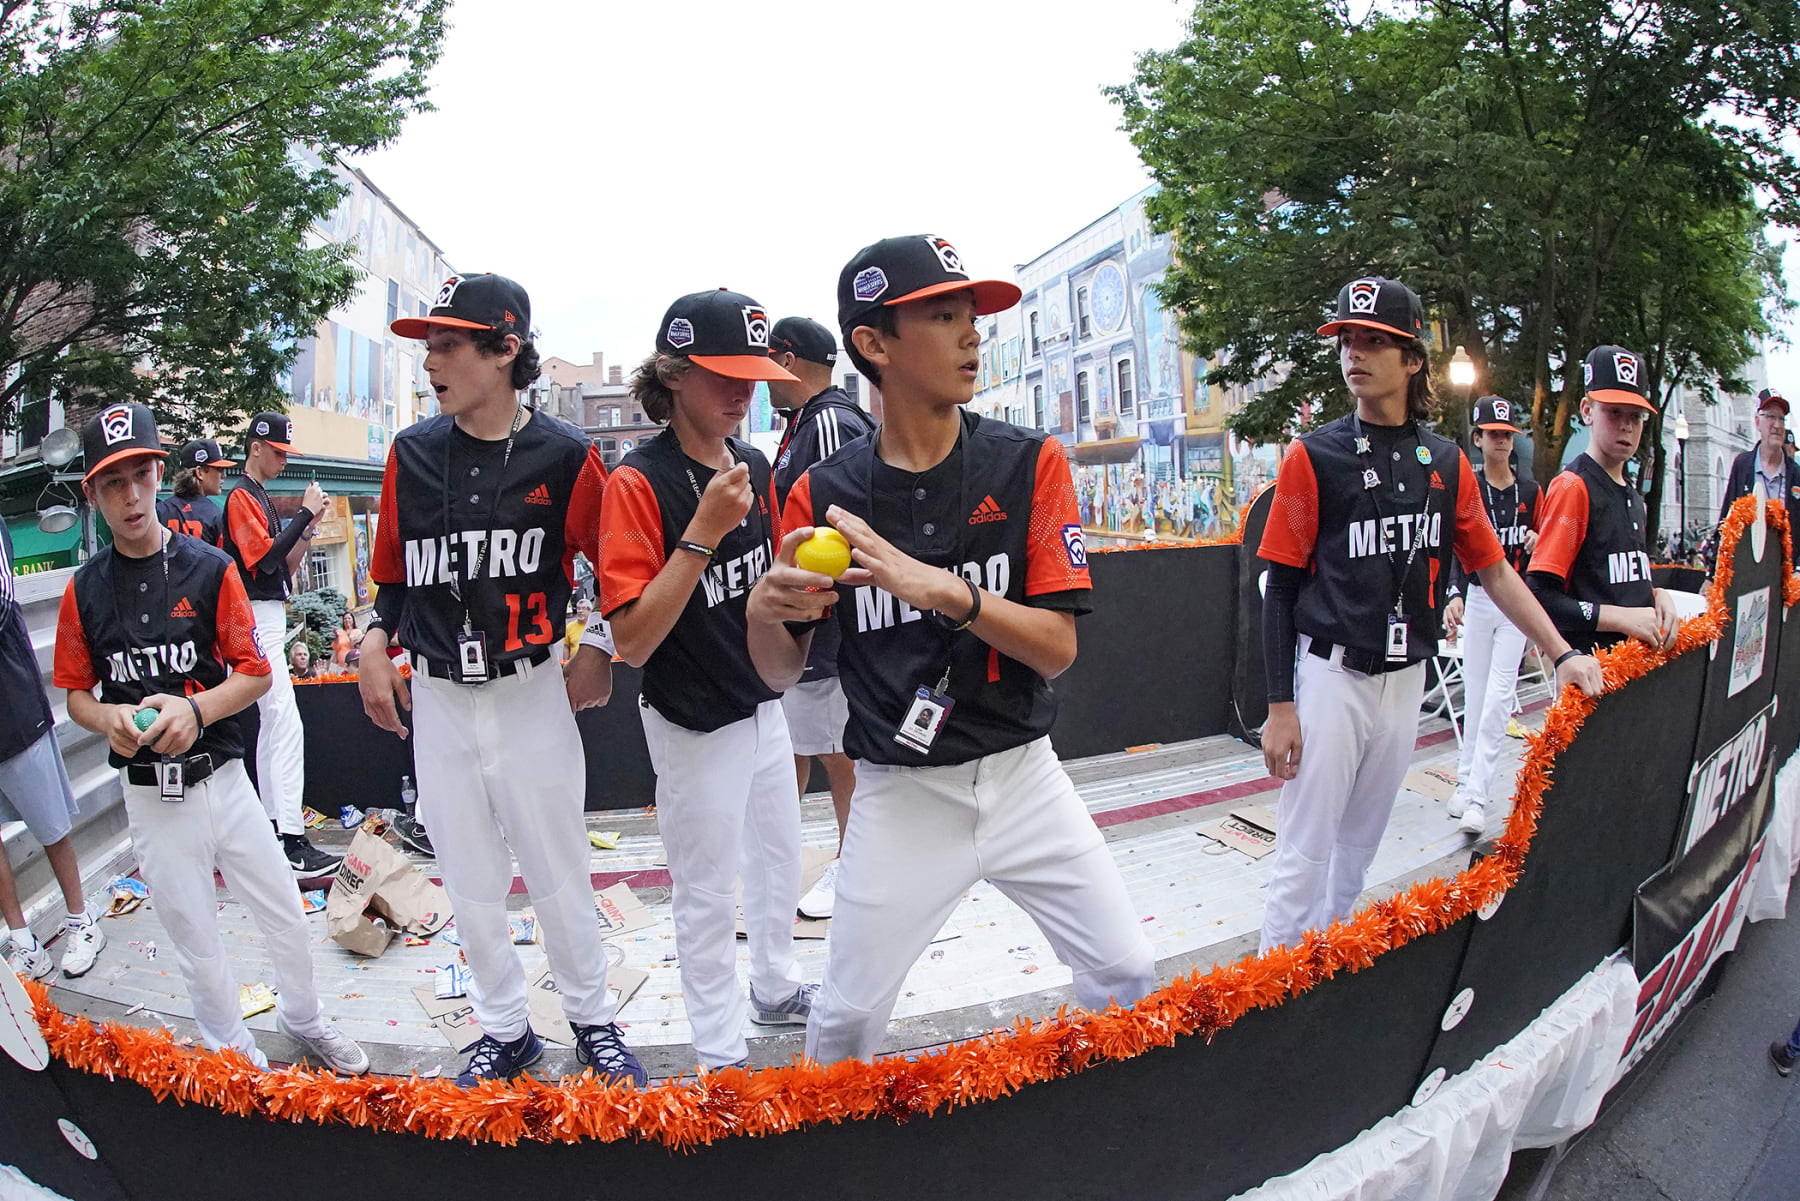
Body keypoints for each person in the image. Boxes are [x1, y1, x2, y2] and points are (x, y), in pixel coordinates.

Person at [745, 234, 1156, 1064]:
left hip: (1023, 774)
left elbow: (1058, 647)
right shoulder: (823, 492)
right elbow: (779, 669)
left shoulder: (1028, 459)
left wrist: (946, 590)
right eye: (944, 316)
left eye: (972, 316)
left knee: (1127, 974)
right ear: (872, 343)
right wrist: (763, 608)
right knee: (844, 1026)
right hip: (900, 795)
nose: (973, 335)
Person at [1256, 277, 1604, 952]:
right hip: (1331, 672)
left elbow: (1496, 571)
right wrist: (1279, 704)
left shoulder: (1446, 462)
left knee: (1355, 856)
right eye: (1348, 339)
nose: (1354, 352)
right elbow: (1278, 585)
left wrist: (1561, 653)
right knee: (1303, 854)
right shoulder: (1312, 454)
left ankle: (1322, 978)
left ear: (1413, 358)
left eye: (1375, 341)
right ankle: (1271, 996)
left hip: (1407, 677)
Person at [362, 273, 642, 1087]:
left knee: (557, 868)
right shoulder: (410, 454)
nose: (430, 362)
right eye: (427, 346)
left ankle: (592, 1018)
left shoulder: (564, 454)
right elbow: (392, 578)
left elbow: (612, 569)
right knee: (469, 877)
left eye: (447, 344)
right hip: (442, 696)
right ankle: (505, 1027)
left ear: (505, 347)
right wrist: (377, 636)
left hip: (529, 691)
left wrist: (601, 642)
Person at [53, 403, 368, 1074]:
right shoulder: (84, 591)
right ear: (93, 493)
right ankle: (236, 1054)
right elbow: (76, 692)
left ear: (159, 473)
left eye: (141, 474)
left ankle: (305, 1020)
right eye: (114, 482)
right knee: (194, 934)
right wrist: (106, 718)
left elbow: (255, 672)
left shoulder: (208, 567)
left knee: (284, 909)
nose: (132, 495)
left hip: (222, 777)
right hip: (149, 794)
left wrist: (195, 713)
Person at [599, 287, 811, 1071]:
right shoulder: (639, 480)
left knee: (781, 857)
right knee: (705, 893)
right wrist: (701, 534)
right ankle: (721, 1055)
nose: (742, 389)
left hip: (762, 706)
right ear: (674, 373)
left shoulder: (753, 462)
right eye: (722, 372)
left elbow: (773, 576)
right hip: (692, 721)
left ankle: (777, 987)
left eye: (751, 371)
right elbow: (631, 640)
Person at [767, 314, 875, 919]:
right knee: (803, 745)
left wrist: (818, 603)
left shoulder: (830, 420)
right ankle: (791, 863)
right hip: (811, 612)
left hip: (829, 618)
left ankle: (852, 869)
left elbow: (842, 517)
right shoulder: (808, 421)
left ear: (787, 360)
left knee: (838, 751)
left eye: (767, 365)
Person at [222, 411, 338, 878]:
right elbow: (266, 558)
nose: (283, 459)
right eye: (277, 451)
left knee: (275, 724)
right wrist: (305, 513)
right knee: (283, 722)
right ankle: (289, 836)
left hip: (263, 612)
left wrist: (308, 527)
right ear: (256, 446)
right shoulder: (240, 495)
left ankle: (278, 830)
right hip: (254, 616)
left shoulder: (257, 496)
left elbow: (281, 568)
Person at [1, 521, 105, 982]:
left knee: (51, 825)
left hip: (13, 707)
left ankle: (82, 920)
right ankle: (22, 939)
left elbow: (3, 602)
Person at [1527, 345, 1681, 655]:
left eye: (1636, 416)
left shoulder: (1634, 496)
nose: (1626, 425)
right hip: (1591, 673)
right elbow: (1540, 597)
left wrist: (1657, 595)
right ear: (1587, 411)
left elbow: (1614, 583)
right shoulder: (1574, 487)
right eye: (1613, 411)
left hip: (1635, 669)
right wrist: (1618, 619)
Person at [1442, 396, 1543, 835]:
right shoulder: (1471, 489)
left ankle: (1479, 796)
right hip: (1480, 598)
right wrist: (1454, 593)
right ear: (1478, 438)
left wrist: (1540, 539)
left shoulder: (1532, 490)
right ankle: (1466, 783)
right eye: (1493, 433)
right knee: (1477, 695)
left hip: (1515, 601)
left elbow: (1547, 545)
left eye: (1507, 434)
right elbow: (1453, 546)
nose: (1501, 440)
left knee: (1501, 697)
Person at [1716, 389, 1800, 532]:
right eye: (1771, 417)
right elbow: (1726, 520)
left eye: (1781, 419)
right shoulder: (1742, 465)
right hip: (1747, 553)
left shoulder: (1796, 474)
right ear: (1757, 421)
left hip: (1786, 553)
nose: (1778, 425)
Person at [156, 438, 233, 548]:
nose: (223, 475)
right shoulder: (215, 515)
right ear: (199, 472)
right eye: (219, 469)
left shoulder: (159, 510)